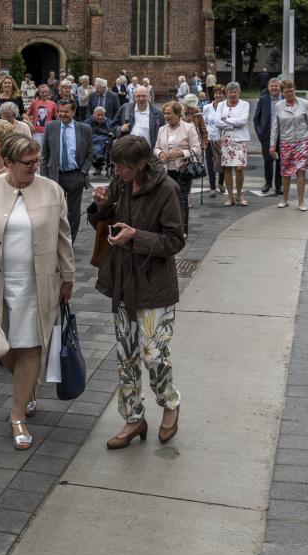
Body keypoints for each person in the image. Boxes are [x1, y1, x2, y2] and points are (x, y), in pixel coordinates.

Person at [0, 134, 74, 450]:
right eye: (28, 163)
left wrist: (69, 278)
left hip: (39, 285)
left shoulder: (52, 190)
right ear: (7, 162)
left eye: (37, 160)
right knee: (4, 349)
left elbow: (64, 237)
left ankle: (17, 415)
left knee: (31, 345)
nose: (35, 167)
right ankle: (29, 386)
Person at [86, 135, 184, 450]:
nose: (116, 171)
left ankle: (170, 403)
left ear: (140, 164)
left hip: (156, 285)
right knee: (125, 356)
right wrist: (101, 208)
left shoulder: (167, 189)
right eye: (114, 165)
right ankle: (133, 418)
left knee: (151, 353)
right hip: (123, 281)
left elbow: (175, 240)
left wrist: (135, 236)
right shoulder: (122, 182)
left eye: (121, 166)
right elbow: (107, 222)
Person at [40, 100, 93, 241]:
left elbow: (90, 153)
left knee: (73, 212)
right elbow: (44, 154)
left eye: (66, 111)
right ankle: (54, 239)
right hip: (55, 175)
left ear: (73, 112)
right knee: (54, 210)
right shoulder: (51, 127)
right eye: (60, 111)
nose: (62, 114)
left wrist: (83, 173)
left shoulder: (84, 129)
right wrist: (44, 177)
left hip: (75, 175)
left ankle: (69, 241)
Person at [269, 80, 308, 211]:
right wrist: (272, 145)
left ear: (294, 89)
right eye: (287, 92)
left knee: (300, 171)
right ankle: (284, 199)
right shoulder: (279, 106)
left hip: (303, 141)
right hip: (286, 142)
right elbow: (275, 128)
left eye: (292, 90)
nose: (290, 93)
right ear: (282, 93)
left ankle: (301, 201)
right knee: (285, 173)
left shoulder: (304, 103)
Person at [154, 101, 201, 237]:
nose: (166, 116)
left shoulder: (188, 128)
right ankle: (167, 227)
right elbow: (156, 147)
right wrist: (160, 154)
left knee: (182, 199)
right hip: (166, 170)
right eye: (165, 114)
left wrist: (182, 153)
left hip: (183, 169)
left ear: (177, 114)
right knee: (166, 200)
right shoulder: (162, 129)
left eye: (169, 113)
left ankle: (183, 229)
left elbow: (197, 149)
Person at [215, 82, 250, 206]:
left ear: (239, 93)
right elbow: (217, 122)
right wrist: (233, 123)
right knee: (227, 169)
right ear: (226, 93)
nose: (233, 94)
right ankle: (230, 197)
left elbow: (243, 121)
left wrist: (226, 120)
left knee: (240, 168)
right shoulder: (220, 105)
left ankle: (239, 194)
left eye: (235, 91)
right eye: (230, 91)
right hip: (226, 140)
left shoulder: (245, 104)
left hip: (240, 140)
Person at [254, 78, 283, 195]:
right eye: (271, 86)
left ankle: (279, 185)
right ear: (268, 87)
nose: (274, 88)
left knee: (280, 161)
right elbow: (256, 118)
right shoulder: (263, 100)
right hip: (267, 136)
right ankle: (268, 182)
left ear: (280, 87)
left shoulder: (285, 99)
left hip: (283, 136)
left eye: (276, 86)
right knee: (267, 161)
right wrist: (260, 133)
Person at [202, 85, 227, 198]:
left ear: (223, 95)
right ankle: (212, 188)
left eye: (220, 93)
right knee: (210, 163)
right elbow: (204, 122)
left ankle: (221, 182)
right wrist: (204, 137)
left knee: (222, 163)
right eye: (216, 93)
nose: (218, 95)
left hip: (222, 139)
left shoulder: (227, 107)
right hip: (210, 138)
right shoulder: (207, 107)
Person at [85, 106, 114, 175]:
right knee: (96, 140)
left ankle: (99, 157)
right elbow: (85, 130)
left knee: (103, 141)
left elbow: (112, 130)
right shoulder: (88, 121)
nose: (100, 117)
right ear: (94, 114)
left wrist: (106, 132)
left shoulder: (108, 121)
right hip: (93, 140)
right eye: (98, 115)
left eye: (102, 115)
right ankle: (98, 156)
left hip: (105, 141)